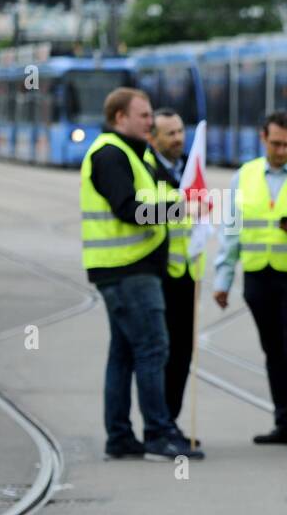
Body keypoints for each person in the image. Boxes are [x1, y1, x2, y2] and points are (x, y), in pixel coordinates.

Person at [80, 88, 201, 461]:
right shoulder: (111, 155)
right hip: (129, 270)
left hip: (128, 269)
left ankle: (120, 437)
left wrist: (181, 202)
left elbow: (156, 197)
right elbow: (128, 209)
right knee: (153, 349)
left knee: (124, 354)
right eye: (144, 116)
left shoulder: (132, 154)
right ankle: (158, 434)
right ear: (120, 118)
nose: (151, 122)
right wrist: (176, 210)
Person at [212, 112, 287, 445]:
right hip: (259, 278)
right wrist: (223, 278)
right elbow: (231, 230)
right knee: (273, 350)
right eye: (275, 143)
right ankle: (285, 421)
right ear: (263, 138)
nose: (281, 150)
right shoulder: (244, 176)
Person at [146, 108, 204, 437]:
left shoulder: (190, 170)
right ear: (153, 138)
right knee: (160, 352)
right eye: (170, 133)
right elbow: (142, 212)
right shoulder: (147, 170)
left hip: (186, 276)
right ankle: (160, 424)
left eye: (181, 131)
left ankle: (172, 421)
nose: (179, 138)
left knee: (182, 352)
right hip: (158, 276)